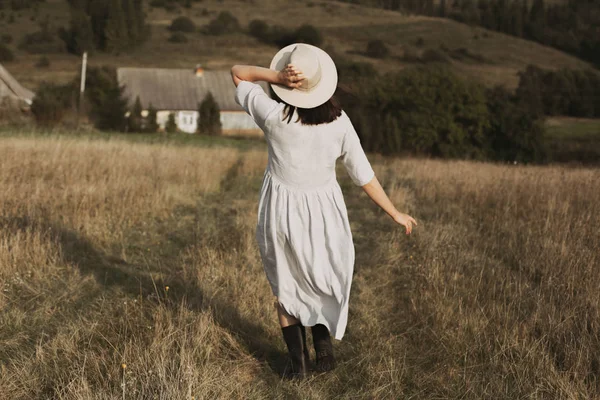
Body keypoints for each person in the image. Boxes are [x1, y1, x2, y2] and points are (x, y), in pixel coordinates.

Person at [230, 43, 417, 379]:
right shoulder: (340, 124)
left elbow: (238, 73)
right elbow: (364, 176)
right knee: (319, 278)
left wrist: (276, 78)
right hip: (324, 212)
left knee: (287, 285)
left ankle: (299, 367)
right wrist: (395, 212)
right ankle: (324, 351)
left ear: (289, 85)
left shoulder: (273, 117)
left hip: (280, 212)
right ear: (324, 85)